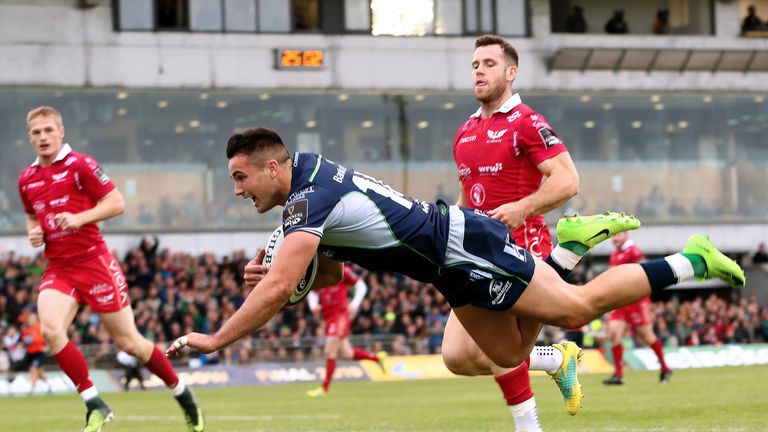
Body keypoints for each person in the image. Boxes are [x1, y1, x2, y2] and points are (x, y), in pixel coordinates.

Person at [166, 129, 745, 425]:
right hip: (447, 271)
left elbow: (275, 290)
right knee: (495, 354)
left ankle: (692, 260)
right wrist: (293, 277)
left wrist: (218, 339)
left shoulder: (309, 199)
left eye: (242, 178)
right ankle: (565, 253)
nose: (239, 190)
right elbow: (328, 274)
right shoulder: (309, 174)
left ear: (273, 166)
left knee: (573, 310)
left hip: (463, 244)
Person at [17, 106, 204, 432]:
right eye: (37, 132)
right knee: (49, 329)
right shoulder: (27, 178)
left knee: (130, 343)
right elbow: (33, 216)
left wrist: (79, 218)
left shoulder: (80, 165)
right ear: (30, 137)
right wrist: (33, 230)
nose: (43, 137)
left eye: (49, 130)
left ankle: (182, 393)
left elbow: (117, 202)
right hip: (59, 268)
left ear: (61, 132)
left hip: (94, 263)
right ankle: (94, 403)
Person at [449, 34, 583, 429]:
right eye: (475, 64)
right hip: (474, 254)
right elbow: (465, 200)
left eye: (489, 64)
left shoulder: (527, 123)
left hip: (519, 253)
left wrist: (523, 208)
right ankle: (557, 358)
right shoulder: (464, 132)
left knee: (498, 352)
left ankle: (529, 427)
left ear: (511, 73)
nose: (479, 70)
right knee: (457, 357)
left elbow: (568, 181)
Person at [305, 265, 386, 397]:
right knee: (346, 354)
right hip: (328, 318)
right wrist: (313, 306)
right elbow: (311, 291)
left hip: (340, 316)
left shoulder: (343, 271)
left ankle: (324, 388)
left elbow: (361, 286)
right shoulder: (318, 273)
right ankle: (377, 358)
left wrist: (354, 305)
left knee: (329, 351)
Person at [602, 233, 671, 385]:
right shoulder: (614, 254)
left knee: (646, 336)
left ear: (626, 235)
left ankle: (665, 367)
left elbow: (644, 273)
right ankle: (619, 375)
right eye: (613, 236)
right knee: (614, 333)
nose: (614, 239)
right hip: (620, 300)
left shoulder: (634, 251)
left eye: (618, 235)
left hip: (636, 300)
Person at [20, 312, 50, 394]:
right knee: (39, 371)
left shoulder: (40, 327)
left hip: (39, 352)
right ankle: (48, 384)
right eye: (30, 319)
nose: (31, 320)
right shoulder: (25, 330)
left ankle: (32, 389)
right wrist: (26, 341)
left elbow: (42, 338)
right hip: (30, 353)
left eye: (33, 318)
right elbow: (23, 340)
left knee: (33, 368)